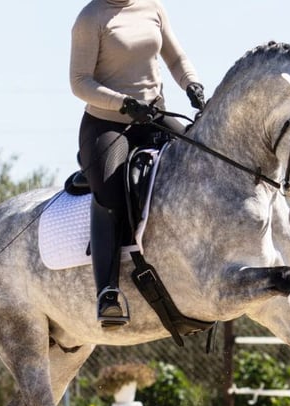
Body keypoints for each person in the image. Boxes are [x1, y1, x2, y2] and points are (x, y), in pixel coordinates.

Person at [70, 0, 205, 329]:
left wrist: (192, 84)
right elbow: (80, 82)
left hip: (154, 116)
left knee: (203, 158)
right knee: (112, 194)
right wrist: (124, 104)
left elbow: (175, 57)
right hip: (108, 125)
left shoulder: (153, 8)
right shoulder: (91, 18)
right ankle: (108, 292)